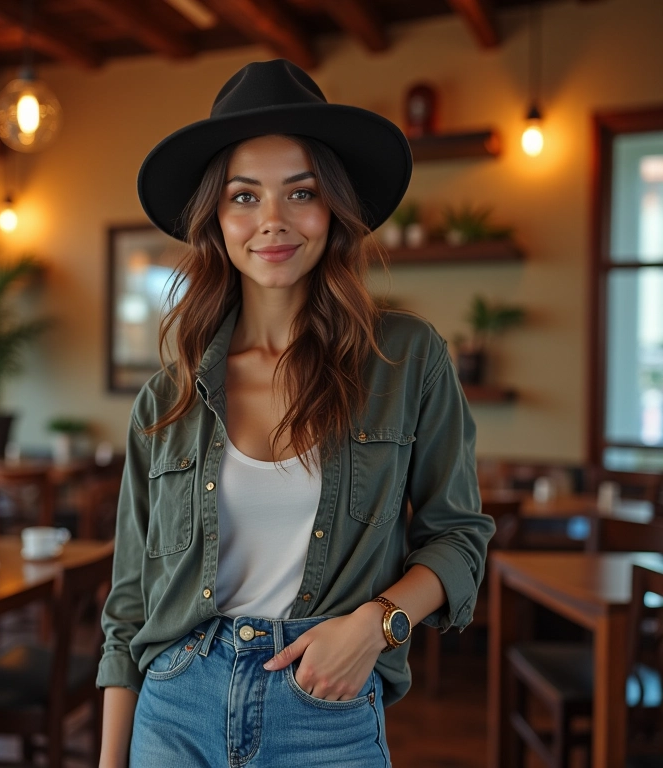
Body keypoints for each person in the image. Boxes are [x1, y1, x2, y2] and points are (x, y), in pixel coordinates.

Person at [97, 59, 495, 768]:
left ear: (332, 208)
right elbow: (129, 608)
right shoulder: (166, 398)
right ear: (217, 220)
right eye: (244, 196)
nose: (272, 220)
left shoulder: (406, 358)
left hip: (326, 709)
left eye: (300, 192)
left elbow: (458, 537)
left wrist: (378, 624)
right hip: (175, 705)